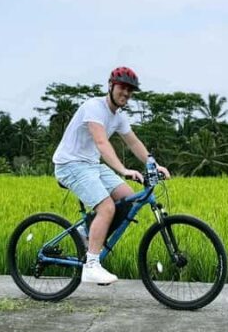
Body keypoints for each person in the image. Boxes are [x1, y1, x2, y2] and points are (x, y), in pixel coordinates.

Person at [52, 66, 171, 285]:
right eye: (122, 88)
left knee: (126, 198)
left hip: (90, 165)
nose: (125, 94)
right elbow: (101, 143)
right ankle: (91, 265)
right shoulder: (94, 108)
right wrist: (124, 170)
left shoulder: (118, 117)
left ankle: (84, 232)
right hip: (70, 164)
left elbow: (133, 142)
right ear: (111, 86)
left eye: (130, 91)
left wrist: (154, 164)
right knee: (107, 208)